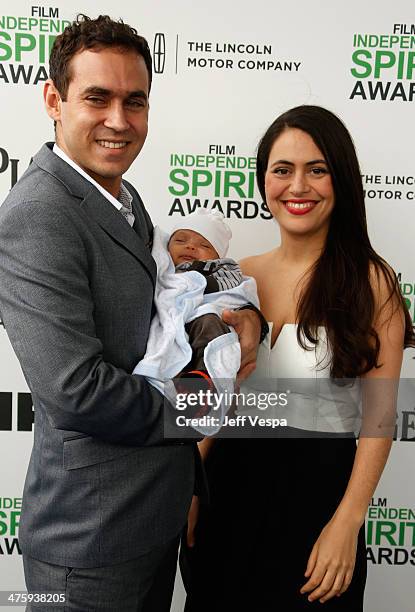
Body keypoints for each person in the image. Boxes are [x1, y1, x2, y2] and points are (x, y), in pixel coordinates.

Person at [0, 14, 262, 612]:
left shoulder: (123, 195)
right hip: (87, 543)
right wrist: (199, 407)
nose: (119, 120)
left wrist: (245, 317)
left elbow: (174, 294)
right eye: (98, 98)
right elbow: (74, 390)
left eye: (135, 101)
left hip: (150, 522)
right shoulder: (38, 215)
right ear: (53, 100)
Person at [181, 105, 414, 611]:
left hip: (318, 509)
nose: (298, 186)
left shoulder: (374, 282)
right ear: (264, 181)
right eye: (282, 170)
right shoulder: (234, 276)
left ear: (341, 179)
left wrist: (348, 522)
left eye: (317, 169)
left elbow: (378, 418)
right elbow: (207, 399)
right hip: (226, 497)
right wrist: (189, 491)